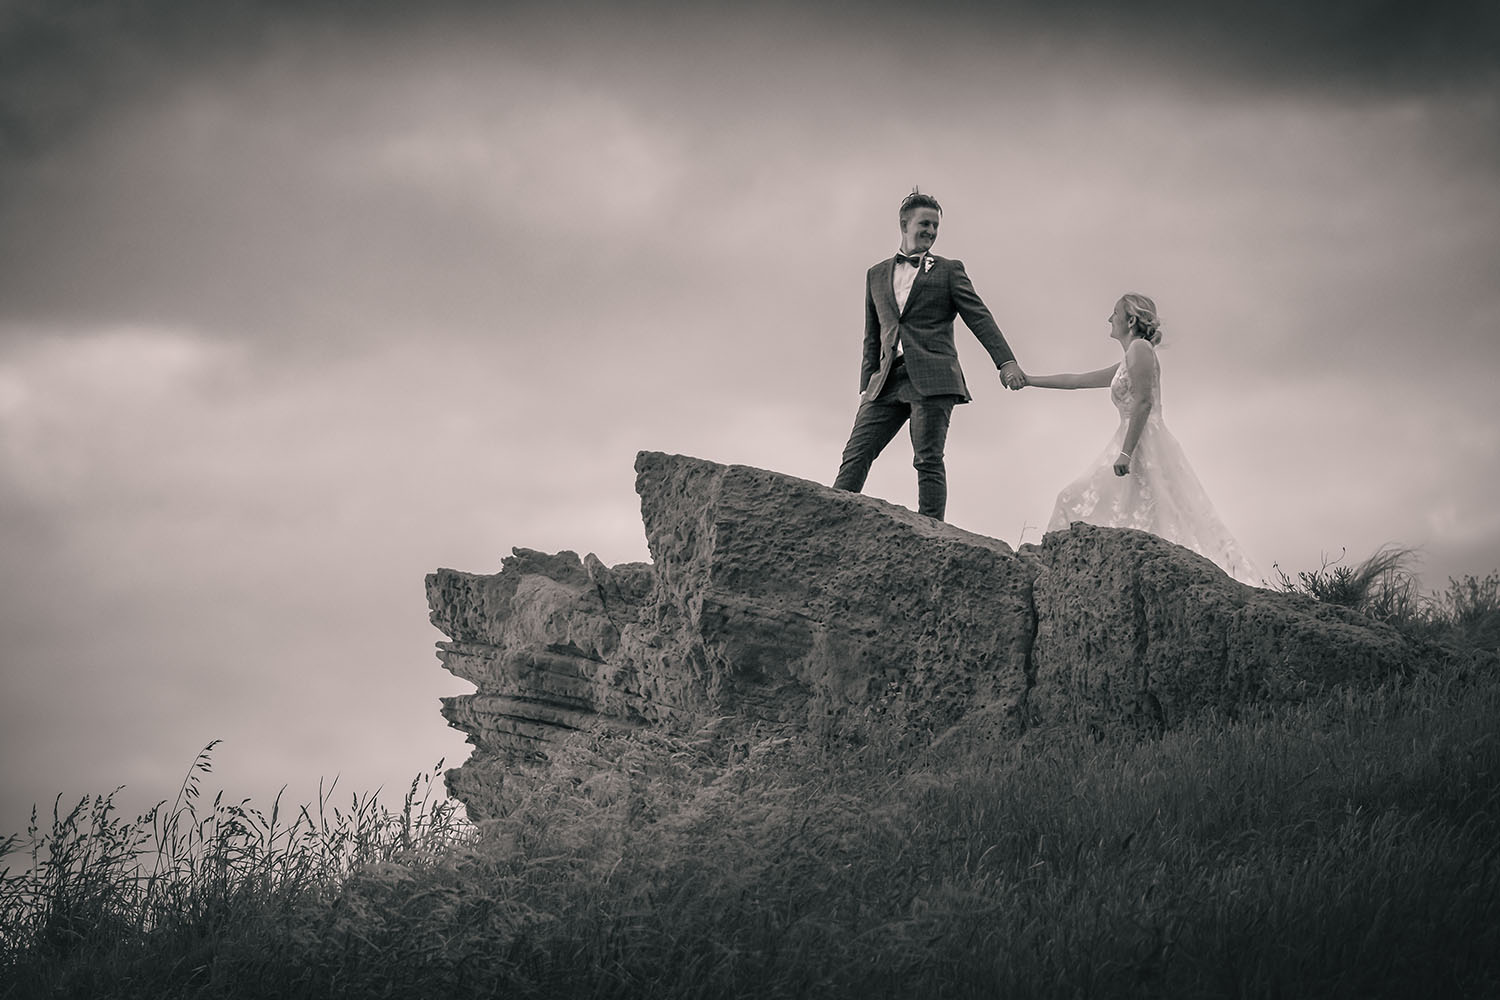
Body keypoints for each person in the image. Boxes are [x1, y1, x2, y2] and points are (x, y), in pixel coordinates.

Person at [1020, 294, 1260, 586]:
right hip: (1130, 440)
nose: (1109, 319)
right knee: (1110, 508)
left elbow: (1144, 402)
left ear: (1130, 320)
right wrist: (1029, 379)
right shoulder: (1128, 357)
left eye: (1115, 313)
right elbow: (1077, 380)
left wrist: (1126, 453)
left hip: (1142, 443)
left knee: (1116, 507)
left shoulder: (1140, 348)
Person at [832, 189, 1025, 520]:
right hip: (886, 380)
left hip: (934, 377)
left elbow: (979, 316)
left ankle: (933, 534)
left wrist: (1006, 362)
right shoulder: (876, 274)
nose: (931, 232)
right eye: (925, 224)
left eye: (936, 226)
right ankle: (828, 516)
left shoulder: (949, 270)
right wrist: (867, 385)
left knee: (927, 459)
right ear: (905, 224)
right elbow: (873, 334)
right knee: (856, 454)